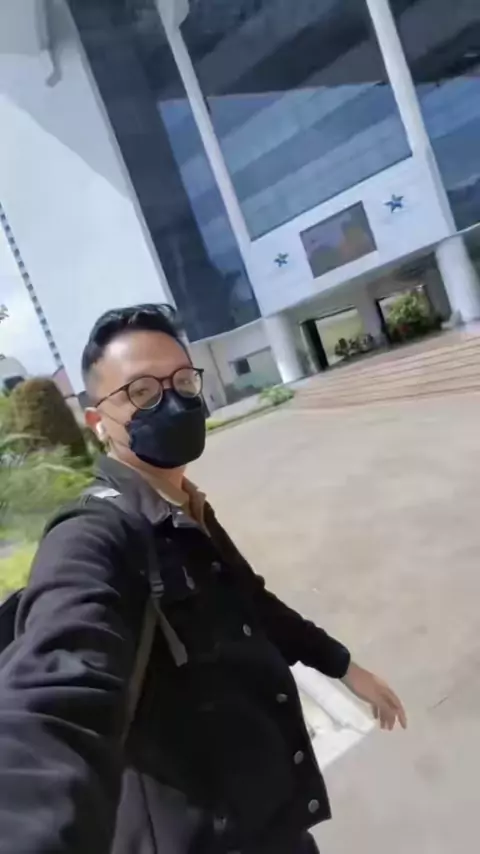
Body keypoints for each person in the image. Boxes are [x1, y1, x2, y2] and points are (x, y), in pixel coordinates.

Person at [0, 304, 406, 854]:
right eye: (142, 391)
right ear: (98, 423)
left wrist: (344, 667)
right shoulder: (94, 534)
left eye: (182, 382)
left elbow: (252, 600)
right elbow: (55, 692)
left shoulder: (183, 504)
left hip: (268, 819)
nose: (171, 402)